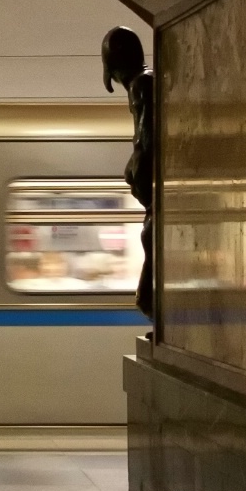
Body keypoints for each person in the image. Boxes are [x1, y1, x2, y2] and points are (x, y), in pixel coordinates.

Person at [102, 26, 154, 318]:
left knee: (150, 240)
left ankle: (148, 304)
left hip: (154, 198)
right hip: (152, 198)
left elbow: (144, 139)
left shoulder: (141, 84)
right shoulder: (144, 82)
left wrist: (135, 168)